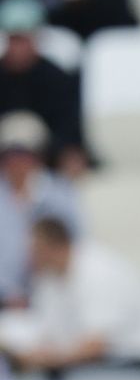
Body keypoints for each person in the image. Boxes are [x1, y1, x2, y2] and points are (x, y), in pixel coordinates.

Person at [0, 216, 140, 374]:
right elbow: (47, 337)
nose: (29, 258)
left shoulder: (98, 271)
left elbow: (95, 346)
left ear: (55, 246)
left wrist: (43, 360)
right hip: (106, 370)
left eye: (35, 250)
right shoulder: (48, 282)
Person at [0, 111, 80, 302]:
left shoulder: (61, 194)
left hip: (53, 297)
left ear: (39, 156)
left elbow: (75, 247)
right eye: (10, 154)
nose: (17, 162)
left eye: (24, 154)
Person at [0, 0, 85, 173]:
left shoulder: (57, 79)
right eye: (13, 39)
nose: (17, 47)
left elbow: (67, 128)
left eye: (22, 39)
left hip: (46, 163)